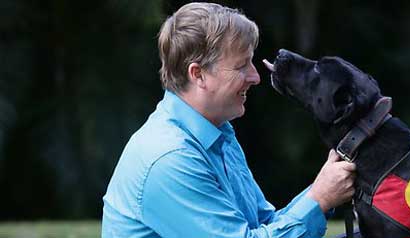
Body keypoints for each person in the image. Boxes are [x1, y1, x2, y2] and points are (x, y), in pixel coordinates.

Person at [101, 2, 356, 237]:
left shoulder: (217, 133)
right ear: (198, 74)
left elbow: (263, 225)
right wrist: (319, 198)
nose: (256, 77)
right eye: (241, 66)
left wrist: (322, 190)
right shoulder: (170, 158)